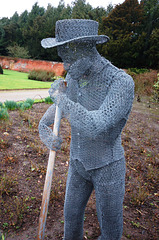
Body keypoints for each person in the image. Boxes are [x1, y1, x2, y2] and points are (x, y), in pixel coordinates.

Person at [39, 19, 134, 240]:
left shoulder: (120, 82)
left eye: (69, 59)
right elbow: (53, 115)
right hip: (78, 163)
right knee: (70, 218)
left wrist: (63, 101)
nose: (65, 67)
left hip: (107, 166)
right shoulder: (73, 79)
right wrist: (43, 129)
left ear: (86, 50)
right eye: (63, 59)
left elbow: (96, 125)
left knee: (110, 231)